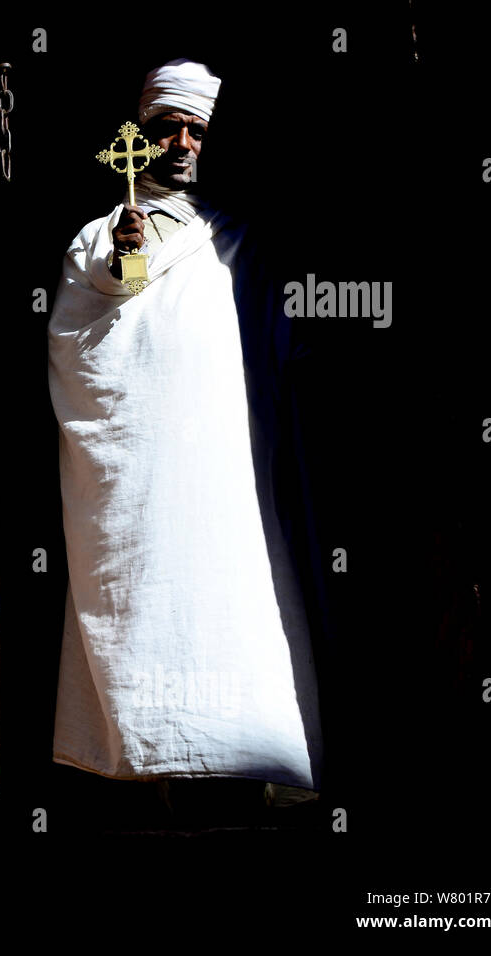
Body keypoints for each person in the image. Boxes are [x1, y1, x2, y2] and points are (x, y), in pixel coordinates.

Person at [48, 59, 323, 803]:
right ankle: (148, 775)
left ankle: (231, 773)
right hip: (139, 469)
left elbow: (274, 344)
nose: (181, 142)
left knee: (227, 597)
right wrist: (127, 256)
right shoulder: (100, 237)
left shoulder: (231, 241)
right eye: (167, 126)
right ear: (139, 134)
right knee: (143, 596)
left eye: (195, 129)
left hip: (221, 469)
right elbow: (91, 323)